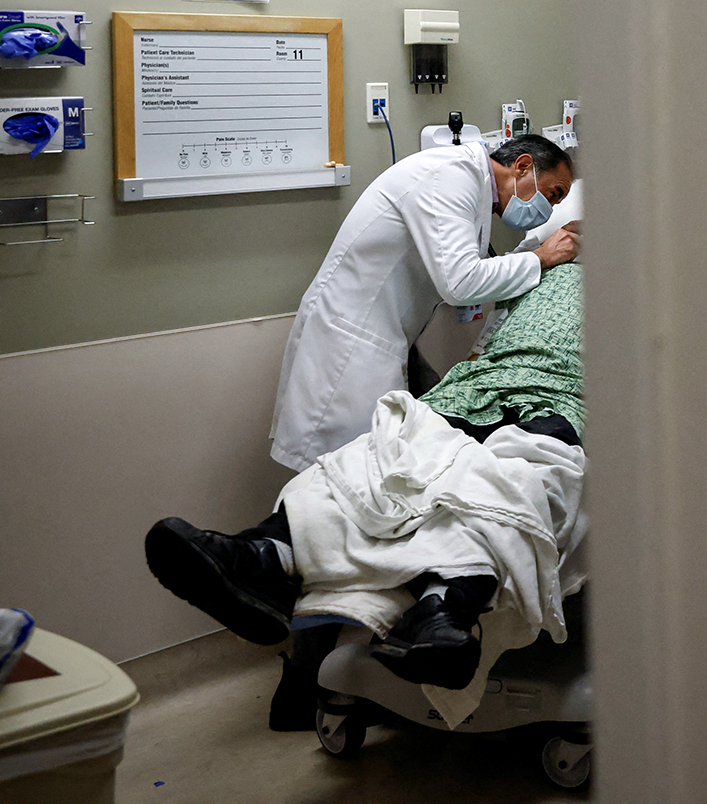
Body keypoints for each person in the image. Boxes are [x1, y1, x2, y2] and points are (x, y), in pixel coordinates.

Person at [147, 264, 586, 694]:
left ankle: (443, 607)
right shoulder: (542, 267)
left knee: (511, 482)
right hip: (471, 387)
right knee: (372, 460)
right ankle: (263, 556)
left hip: (561, 404)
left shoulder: (642, 295)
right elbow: (484, 339)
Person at [268, 132, 578, 472]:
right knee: (339, 484)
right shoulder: (450, 177)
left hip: (380, 340)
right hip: (349, 346)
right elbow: (460, 282)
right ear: (522, 166)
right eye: (552, 194)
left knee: (359, 481)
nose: (548, 209)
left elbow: (468, 273)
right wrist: (541, 258)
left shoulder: (470, 188)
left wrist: (531, 255)